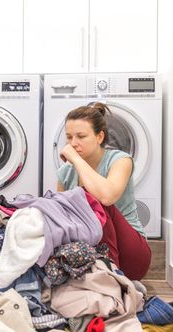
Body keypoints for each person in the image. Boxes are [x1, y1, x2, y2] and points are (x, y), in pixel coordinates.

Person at [57, 102, 151, 280]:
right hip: (89, 253)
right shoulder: (65, 173)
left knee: (93, 200)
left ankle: (113, 280)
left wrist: (76, 160)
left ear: (100, 137)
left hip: (131, 255)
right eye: (69, 138)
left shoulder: (120, 160)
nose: (73, 143)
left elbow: (107, 197)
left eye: (81, 136)